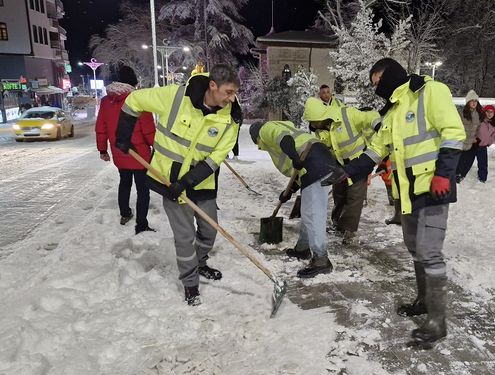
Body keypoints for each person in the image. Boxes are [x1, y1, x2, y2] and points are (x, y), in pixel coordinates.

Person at [344, 58, 465, 347]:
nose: (376, 88)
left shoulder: (430, 92)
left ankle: (438, 322)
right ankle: (424, 300)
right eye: (373, 84)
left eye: (378, 81)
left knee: (429, 250)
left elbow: (454, 132)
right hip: (407, 193)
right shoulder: (393, 111)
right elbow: (377, 149)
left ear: (391, 74)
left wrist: (444, 174)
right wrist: (346, 172)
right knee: (414, 248)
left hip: (434, 187)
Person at [115, 64, 243, 306]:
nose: (232, 98)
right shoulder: (175, 96)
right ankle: (190, 283)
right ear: (212, 85)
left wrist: (188, 181)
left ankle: (200, 262)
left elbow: (216, 157)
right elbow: (134, 100)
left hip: (202, 181)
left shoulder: (231, 117)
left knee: (209, 230)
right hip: (169, 180)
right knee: (184, 237)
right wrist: (123, 134)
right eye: (228, 92)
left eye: (235, 92)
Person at [249, 121, 346, 278]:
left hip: (313, 161)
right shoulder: (281, 130)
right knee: (308, 211)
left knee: (313, 214)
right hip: (316, 160)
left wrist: (295, 157)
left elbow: (285, 139)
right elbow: (297, 169)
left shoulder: (265, 130)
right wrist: (288, 192)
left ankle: (321, 260)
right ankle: (302, 249)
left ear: (256, 138)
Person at [302, 97, 380, 245]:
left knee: (354, 198)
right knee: (339, 194)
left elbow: (371, 116)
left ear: (320, 116)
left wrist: (379, 127)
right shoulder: (320, 129)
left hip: (359, 163)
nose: (311, 124)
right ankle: (337, 224)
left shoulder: (347, 114)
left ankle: (349, 231)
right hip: (339, 165)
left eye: (312, 121)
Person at [95, 66, 156, 234]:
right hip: (139, 152)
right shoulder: (138, 100)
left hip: (120, 151)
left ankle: (125, 213)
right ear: (133, 82)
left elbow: (101, 127)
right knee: (142, 188)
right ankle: (141, 223)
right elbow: (148, 129)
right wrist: (156, 146)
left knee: (124, 182)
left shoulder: (107, 101)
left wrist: (102, 150)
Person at [455, 90, 485, 183]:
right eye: (472, 101)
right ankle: (457, 175)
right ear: (468, 102)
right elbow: (457, 126)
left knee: (469, 162)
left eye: (475, 101)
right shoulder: (461, 113)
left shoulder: (479, 113)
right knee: (460, 161)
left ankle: (462, 175)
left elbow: (480, 128)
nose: (474, 103)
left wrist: (477, 138)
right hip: (462, 142)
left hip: (473, 143)